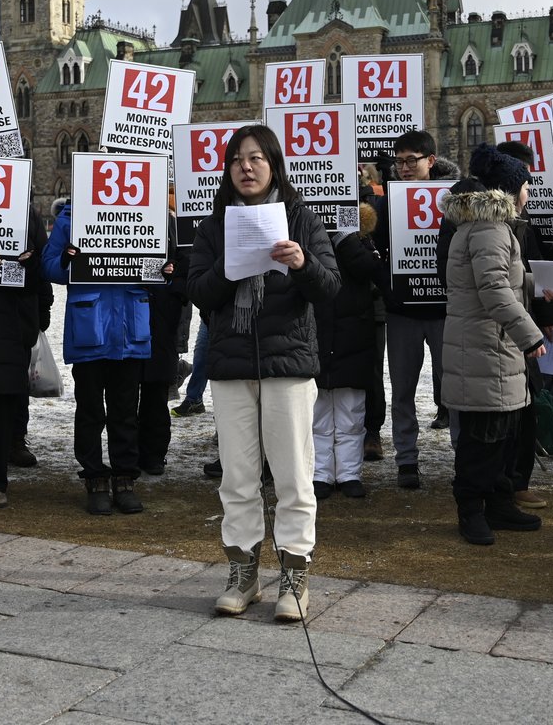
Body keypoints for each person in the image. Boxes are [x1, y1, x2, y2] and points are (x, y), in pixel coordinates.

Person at [188, 124, 340, 621]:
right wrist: (226, 270)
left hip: (287, 366)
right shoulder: (213, 226)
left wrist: (301, 264)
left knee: (294, 476)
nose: (245, 168)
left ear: (273, 164)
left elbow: (330, 289)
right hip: (232, 366)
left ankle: (295, 575)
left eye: (255, 158)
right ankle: (243, 572)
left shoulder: (301, 218)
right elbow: (199, 294)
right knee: (237, 476)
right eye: (236, 160)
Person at [439, 142, 553, 510]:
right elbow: (492, 289)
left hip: (491, 344)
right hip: (485, 345)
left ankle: (499, 503)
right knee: (484, 439)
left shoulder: (492, 226)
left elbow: (500, 278)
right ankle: (473, 511)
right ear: (509, 190)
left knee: (501, 434)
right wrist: (530, 334)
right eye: (525, 186)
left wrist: (534, 284)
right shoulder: (491, 228)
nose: (529, 193)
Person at [43, 199, 152, 516]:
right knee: (90, 411)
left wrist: (164, 270)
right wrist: (66, 259)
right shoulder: (69, 219)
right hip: (90, 328)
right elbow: (48, 266)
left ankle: (124, 479)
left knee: (125, 411)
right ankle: (94, 479)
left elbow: (159, 271)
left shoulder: (144, 215)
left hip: (129, 329)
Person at [371, 130, 460, 489]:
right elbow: (373, 250)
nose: (404, 167)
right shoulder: (385, 201)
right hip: (403, 310)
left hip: (443, 310)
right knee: (403, 389)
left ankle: (461, 453)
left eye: (412, 160)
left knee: (453, 389)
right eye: (399, 160)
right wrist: (387, 287)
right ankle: (406, 459)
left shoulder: (453, 200)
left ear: (430, 161)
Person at [0, 205, 53, 508]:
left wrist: (39, 316)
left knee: (1, 412)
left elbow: (42, 272)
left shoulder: (26, 215)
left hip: (9, 329)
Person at [312, 202, 379, 500]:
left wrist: (346, 238)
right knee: (319, 412)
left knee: (351, 412)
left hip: (353, 334)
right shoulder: (305, 230)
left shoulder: (358, 237)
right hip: (318, 330)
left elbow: (369, 268)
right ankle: (320, 474)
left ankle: (349, 473)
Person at [140, 214, 187, 476]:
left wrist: (173, 285)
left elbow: (187, 262)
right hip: (129, 309)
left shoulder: (170, 222)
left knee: (156, 393)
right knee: (123, 394)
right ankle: (131, 453)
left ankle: (154, 453)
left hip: (161, 317)